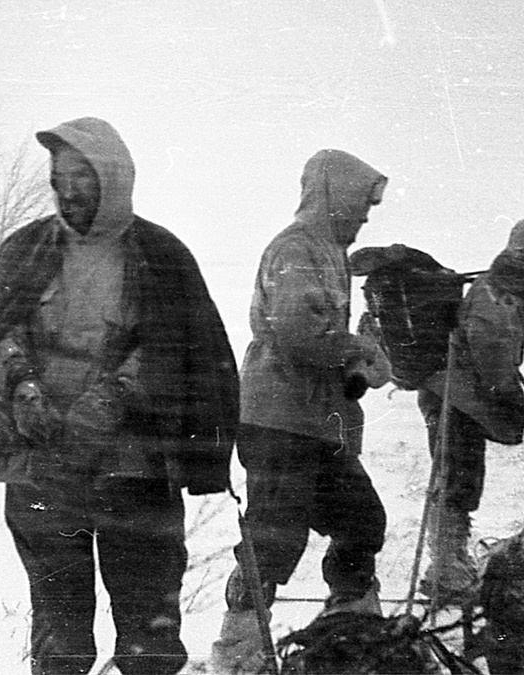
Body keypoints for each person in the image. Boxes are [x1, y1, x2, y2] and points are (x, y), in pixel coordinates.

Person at [0, 117, 240, 675]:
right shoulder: (24, 250)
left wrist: (118, 395)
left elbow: (187, 347)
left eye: (82, 177)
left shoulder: (161, 254)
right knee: (60, 635)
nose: (67, 190)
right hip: (42, 464)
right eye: (58, 176)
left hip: (134, 469)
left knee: (149, 633)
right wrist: (20, 384)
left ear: (113, 180)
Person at [210, 149, 392, 674]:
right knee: (275, 538)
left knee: (362, 521)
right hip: (279, 421)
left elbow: (322, 337)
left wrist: (361, 353)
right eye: (359, 204)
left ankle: (353, 628)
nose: (364, 216)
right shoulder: (295, 249)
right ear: (332, 197)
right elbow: (296, 330)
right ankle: (239, 653)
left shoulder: (329, 252)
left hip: (316, 423)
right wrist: (356, 349)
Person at [415, 221, 524, 605]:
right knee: (456, 477)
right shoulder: (497, 295)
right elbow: (493, 357)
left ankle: (450, 563)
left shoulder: (507, 290)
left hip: (459, 394)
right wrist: (515, 398)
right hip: (453, 395)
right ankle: (446, 568)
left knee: (459, 474)